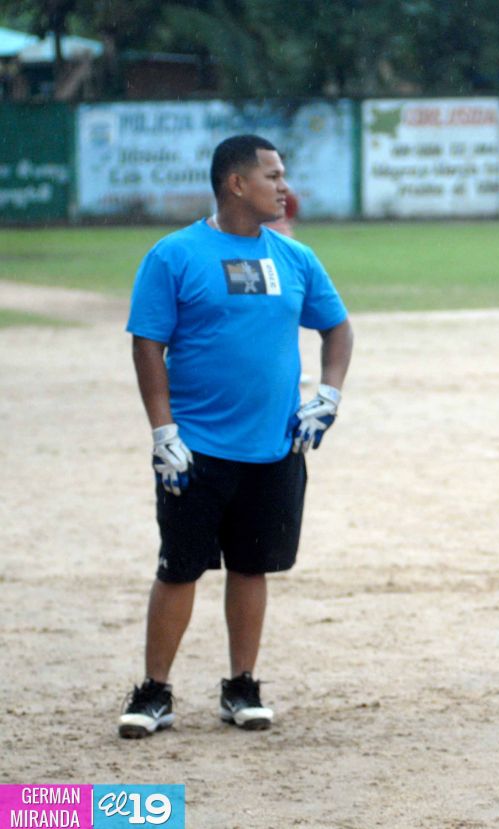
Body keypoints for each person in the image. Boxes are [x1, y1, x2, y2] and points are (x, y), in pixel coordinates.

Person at [117, 134, 354, 739]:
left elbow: (337, 329)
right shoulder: (174, 255)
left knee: (252, 567)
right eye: (273, 176)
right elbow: (148, 345)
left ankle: (241, 686)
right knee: (179, 568)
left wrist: (327, 395)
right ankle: (154, 692)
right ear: (236, 184)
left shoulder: (294, 258)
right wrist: (162, 430)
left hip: (274, 447)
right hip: (194, 449)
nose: (285, 187)